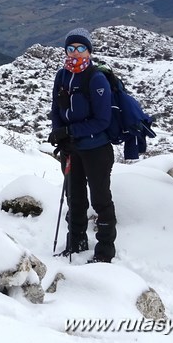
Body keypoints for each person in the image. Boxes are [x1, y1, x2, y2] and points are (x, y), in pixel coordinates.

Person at [48, 28, 116, 263]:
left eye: (80, 48)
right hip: (72, 149)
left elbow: (102, 120)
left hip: (96, 150)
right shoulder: (62, 75)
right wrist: (60, 134)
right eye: (70, 48)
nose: (75, 53)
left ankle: (105, 251)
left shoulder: (96, 79)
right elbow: (56, 108)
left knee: (100, 200)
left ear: (89, 51)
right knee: (74, 198)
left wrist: (69, 131)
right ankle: (75, 243)